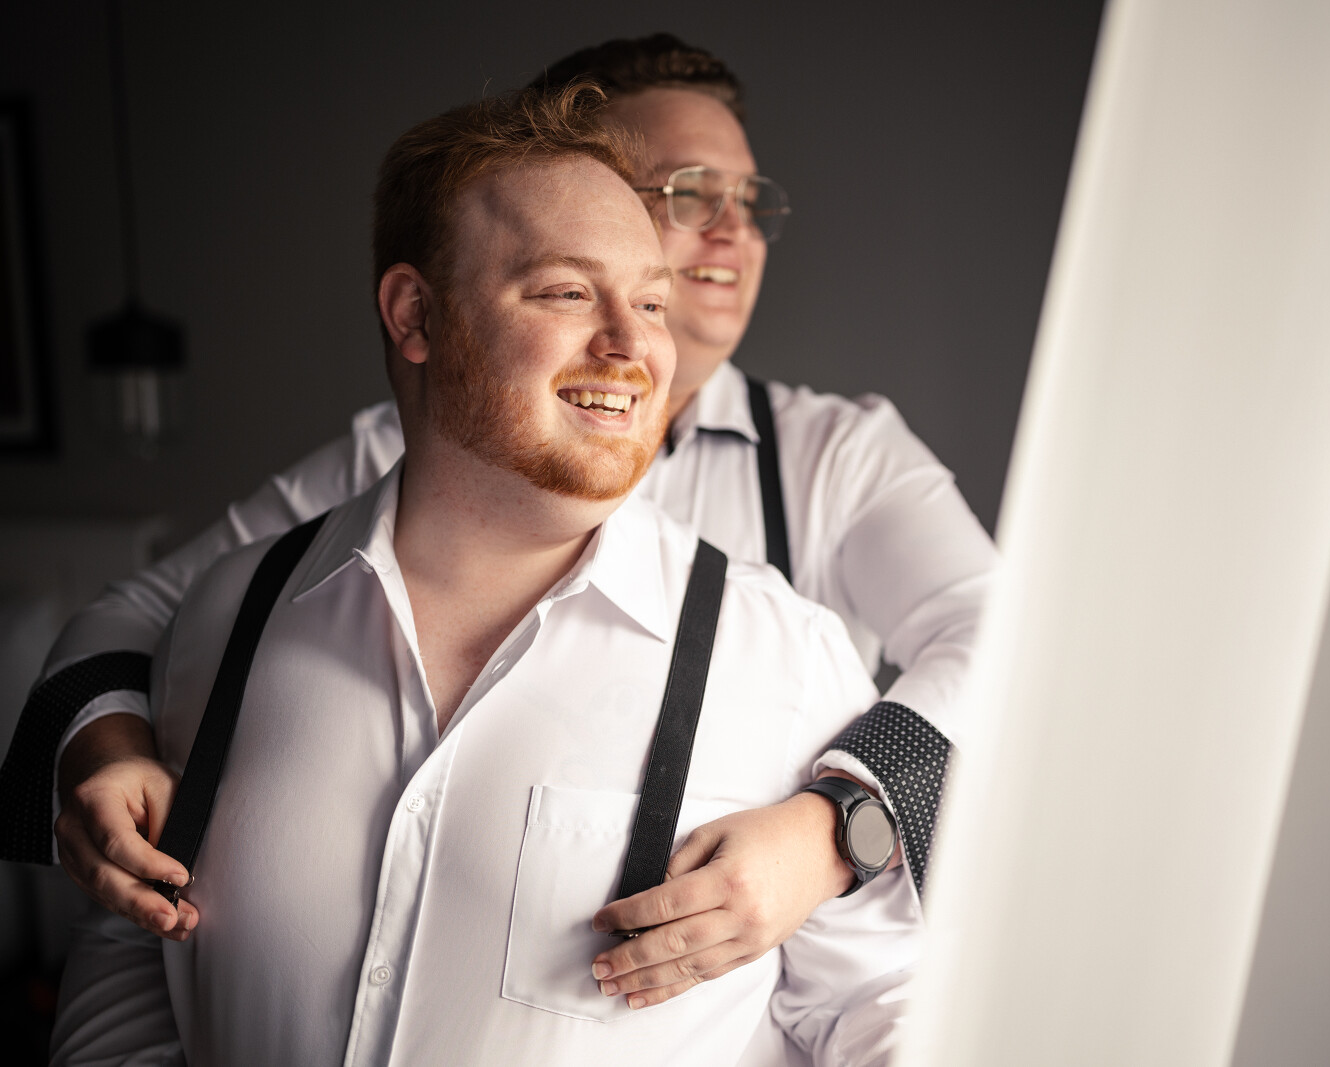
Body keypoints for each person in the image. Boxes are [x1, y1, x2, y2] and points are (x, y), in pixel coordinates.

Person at [1, 34, 994, 1006]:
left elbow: (1004, 646)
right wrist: (108, 748)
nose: (732, 230)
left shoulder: (831, 472)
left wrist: (836, 827)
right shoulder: (386, 460)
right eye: (686, 193)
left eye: (748, 198)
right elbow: (154, 615)